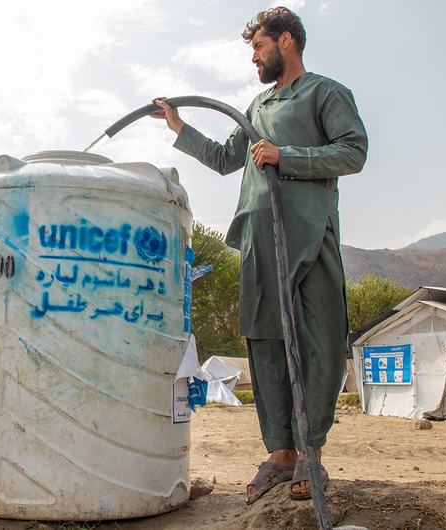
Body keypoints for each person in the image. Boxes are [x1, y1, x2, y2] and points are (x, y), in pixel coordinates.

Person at [149, 7, 367, 503]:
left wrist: (284, 156)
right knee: (265, 342)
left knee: (319, 341)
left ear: (286, 41)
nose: (254, 58)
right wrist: (178, 127)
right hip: (258, 238)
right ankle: (280, 453)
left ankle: (310, 451)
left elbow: (353, 153)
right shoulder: (257, 103)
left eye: (259, 47)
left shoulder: (324, 93)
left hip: (308, 237)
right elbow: (229, 158)